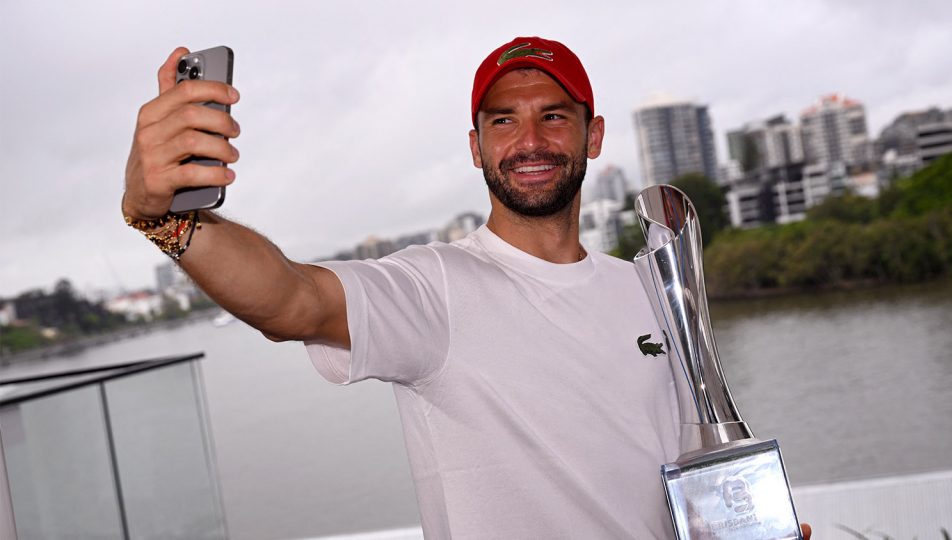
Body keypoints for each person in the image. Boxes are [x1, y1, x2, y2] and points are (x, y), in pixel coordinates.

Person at [124, 36, 811, 540]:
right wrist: (163, 217)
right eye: (503, 120)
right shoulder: (434, 290)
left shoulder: (647, 288)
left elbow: (673, 468)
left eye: (554, 115)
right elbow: (289, 301)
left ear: (592, 135)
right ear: (476, 146)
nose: (530, 140)